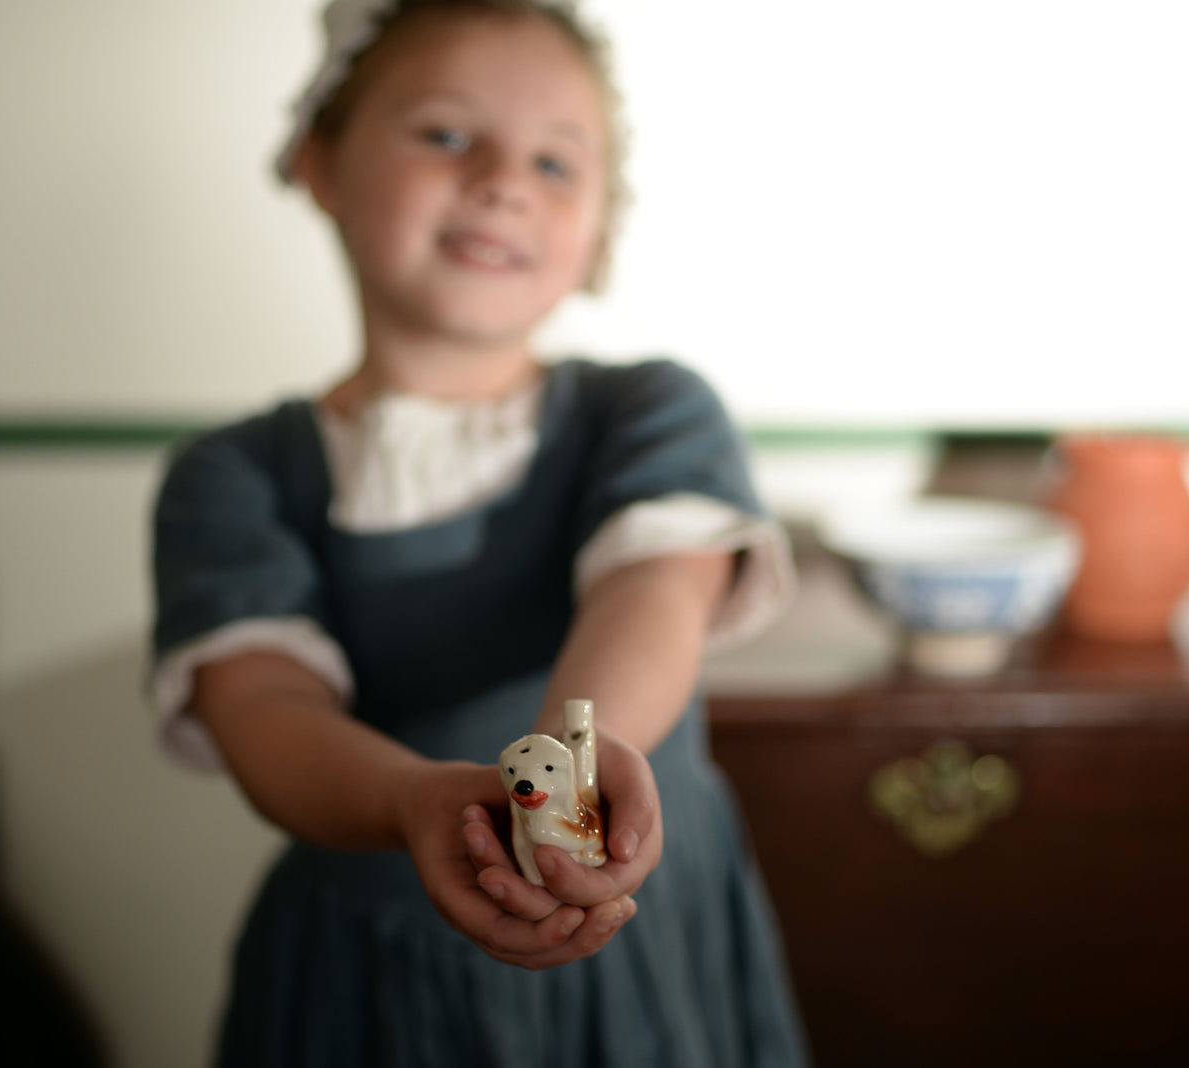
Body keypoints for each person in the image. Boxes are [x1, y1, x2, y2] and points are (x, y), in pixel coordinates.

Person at [148, 0, 809, 1063]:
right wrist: (420, 802)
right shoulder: (232, 476)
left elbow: (652, 591)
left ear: (598, 237)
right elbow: (262, 705)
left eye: (555, 162)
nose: (503, 178)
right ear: (321, 164)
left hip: (638, 957)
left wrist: (566, 781)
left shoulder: (648, 413)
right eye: (447, 135)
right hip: (362, 985)